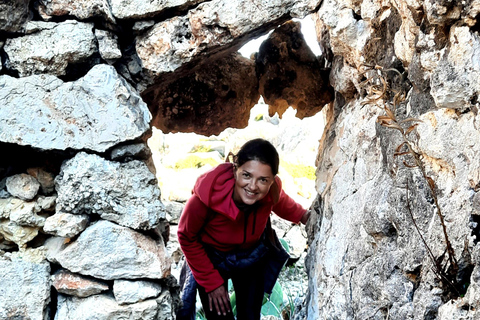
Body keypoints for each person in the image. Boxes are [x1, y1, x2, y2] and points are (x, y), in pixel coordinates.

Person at [177, 138, 310, 320]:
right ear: (235, 169)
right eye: (246, 175)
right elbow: (186, 236)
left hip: (251, 257)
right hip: (212, 259)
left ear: (273, 181)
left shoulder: (272, 190)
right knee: (220, 317)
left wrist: (304, 216)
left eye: (263, 180)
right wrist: (212, 283)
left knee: (250, 316)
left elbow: (282, 202)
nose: (253, 186)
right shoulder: (206, 198)